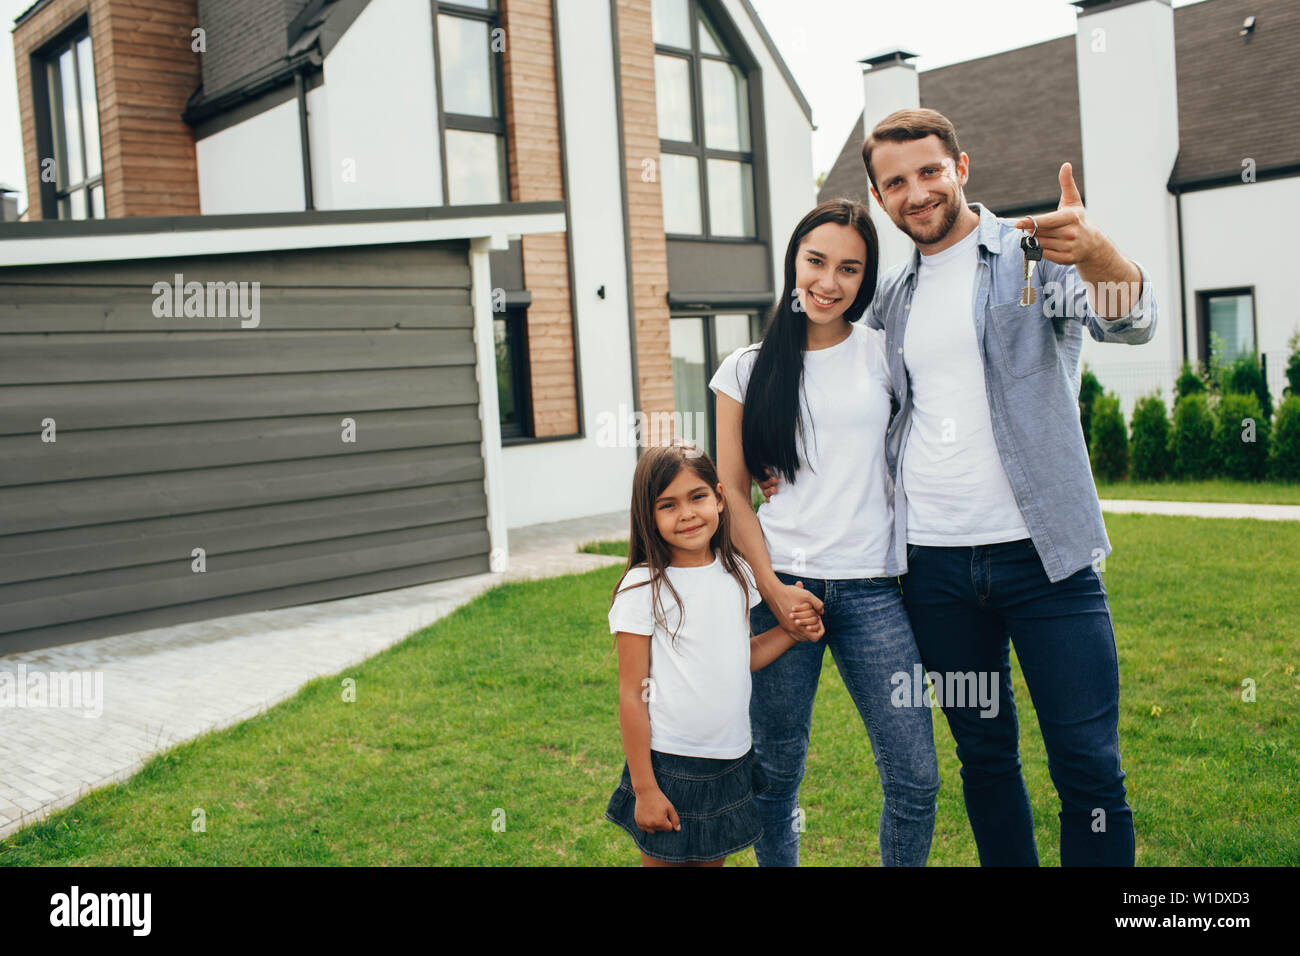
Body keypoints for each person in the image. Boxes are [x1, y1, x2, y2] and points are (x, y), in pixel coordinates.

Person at [760, 108, 1156, 866]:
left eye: (930, 172)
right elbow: (830, 377)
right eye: (897, 182)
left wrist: (1099, 250)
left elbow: (1131, 320)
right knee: (985, 758)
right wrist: (777, 451)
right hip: (935, 570)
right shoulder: (891, 297)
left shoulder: (1033, 258)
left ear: (962, 168)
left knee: (1089, 768)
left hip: (1048, 562)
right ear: (881, 198)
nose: (917, 192)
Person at [709, 199, 940, 867]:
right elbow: (732, 491)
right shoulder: (746, 369)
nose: (829, 282)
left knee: (916, 778)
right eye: (816, 261)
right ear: (794, 262)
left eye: (849, 269)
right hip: (779, 586)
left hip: (874, 591)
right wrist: (772, 589)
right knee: (775, 778)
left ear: (865, 280)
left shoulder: (886, 356)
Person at [603, 438, 824, 867]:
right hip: (670, 764)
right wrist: (646, 789)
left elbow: (740, 656)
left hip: (730, 758)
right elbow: (632, 693)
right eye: (667, 505)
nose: (686, 514)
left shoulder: (737, 572)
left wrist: (790, 631)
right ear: (647, 515)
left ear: (720, 499)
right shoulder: (642, 587)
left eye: (697, 497)